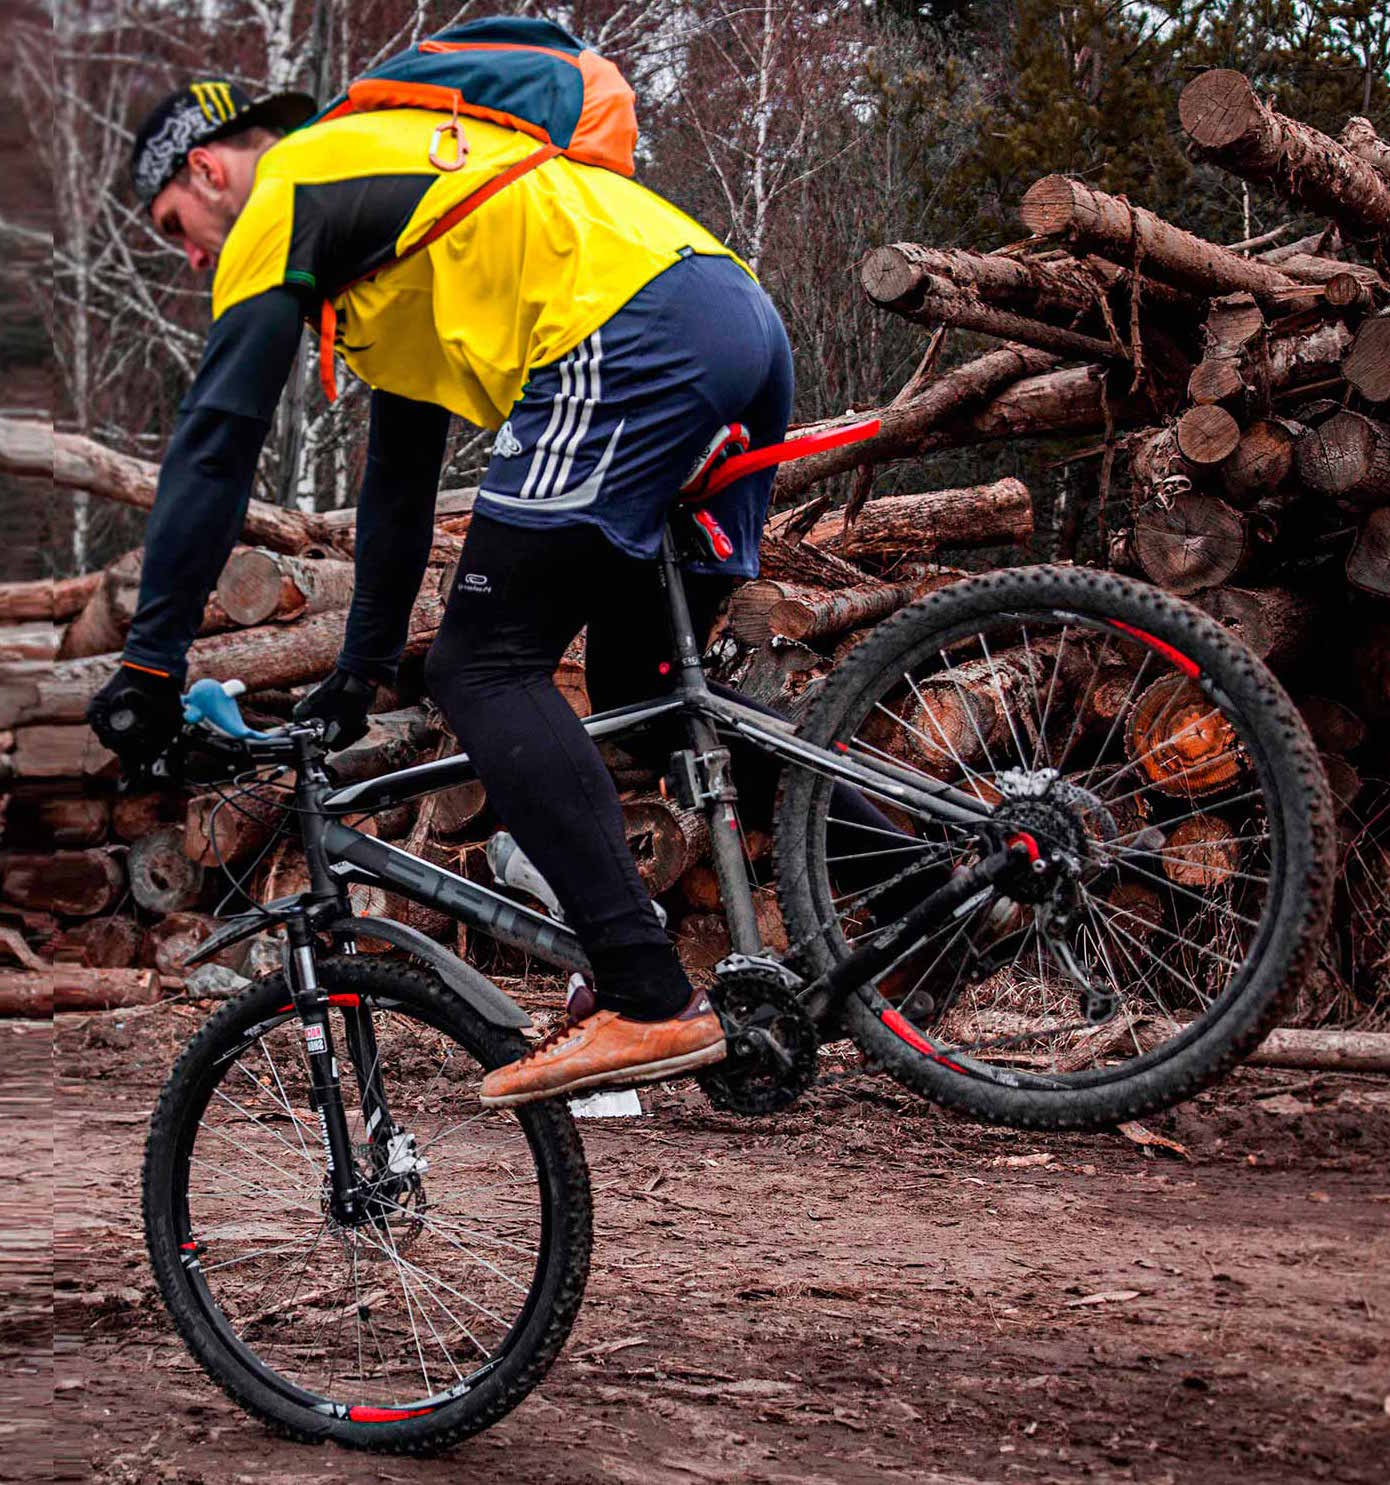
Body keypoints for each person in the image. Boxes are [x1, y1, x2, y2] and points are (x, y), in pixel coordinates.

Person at [88, 73, 901, 1107]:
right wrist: (360, 670)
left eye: (176, 229)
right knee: (643, 691)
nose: (194, 257)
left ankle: (645, 994)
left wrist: (151, 662)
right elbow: (398, 485)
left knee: (483, 663)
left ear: (208, 170)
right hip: (727, 317)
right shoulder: (384, 221)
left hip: (630, 332)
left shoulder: (289, 185)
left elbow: (216, 444)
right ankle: (933, 881)